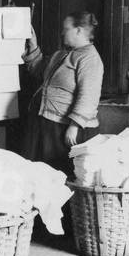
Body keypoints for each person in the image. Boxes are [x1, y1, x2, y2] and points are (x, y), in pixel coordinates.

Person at [22, 11, 104, 178]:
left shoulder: (90, 58)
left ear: (79, 31)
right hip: (45, 123)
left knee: (57, 175)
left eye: (66, 29)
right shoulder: (61, 54)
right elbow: (39, 69)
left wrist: (74, 126)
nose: (62, 32)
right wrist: (34, 45)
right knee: (37, 174)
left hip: (62, 129)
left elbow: (89, 96)